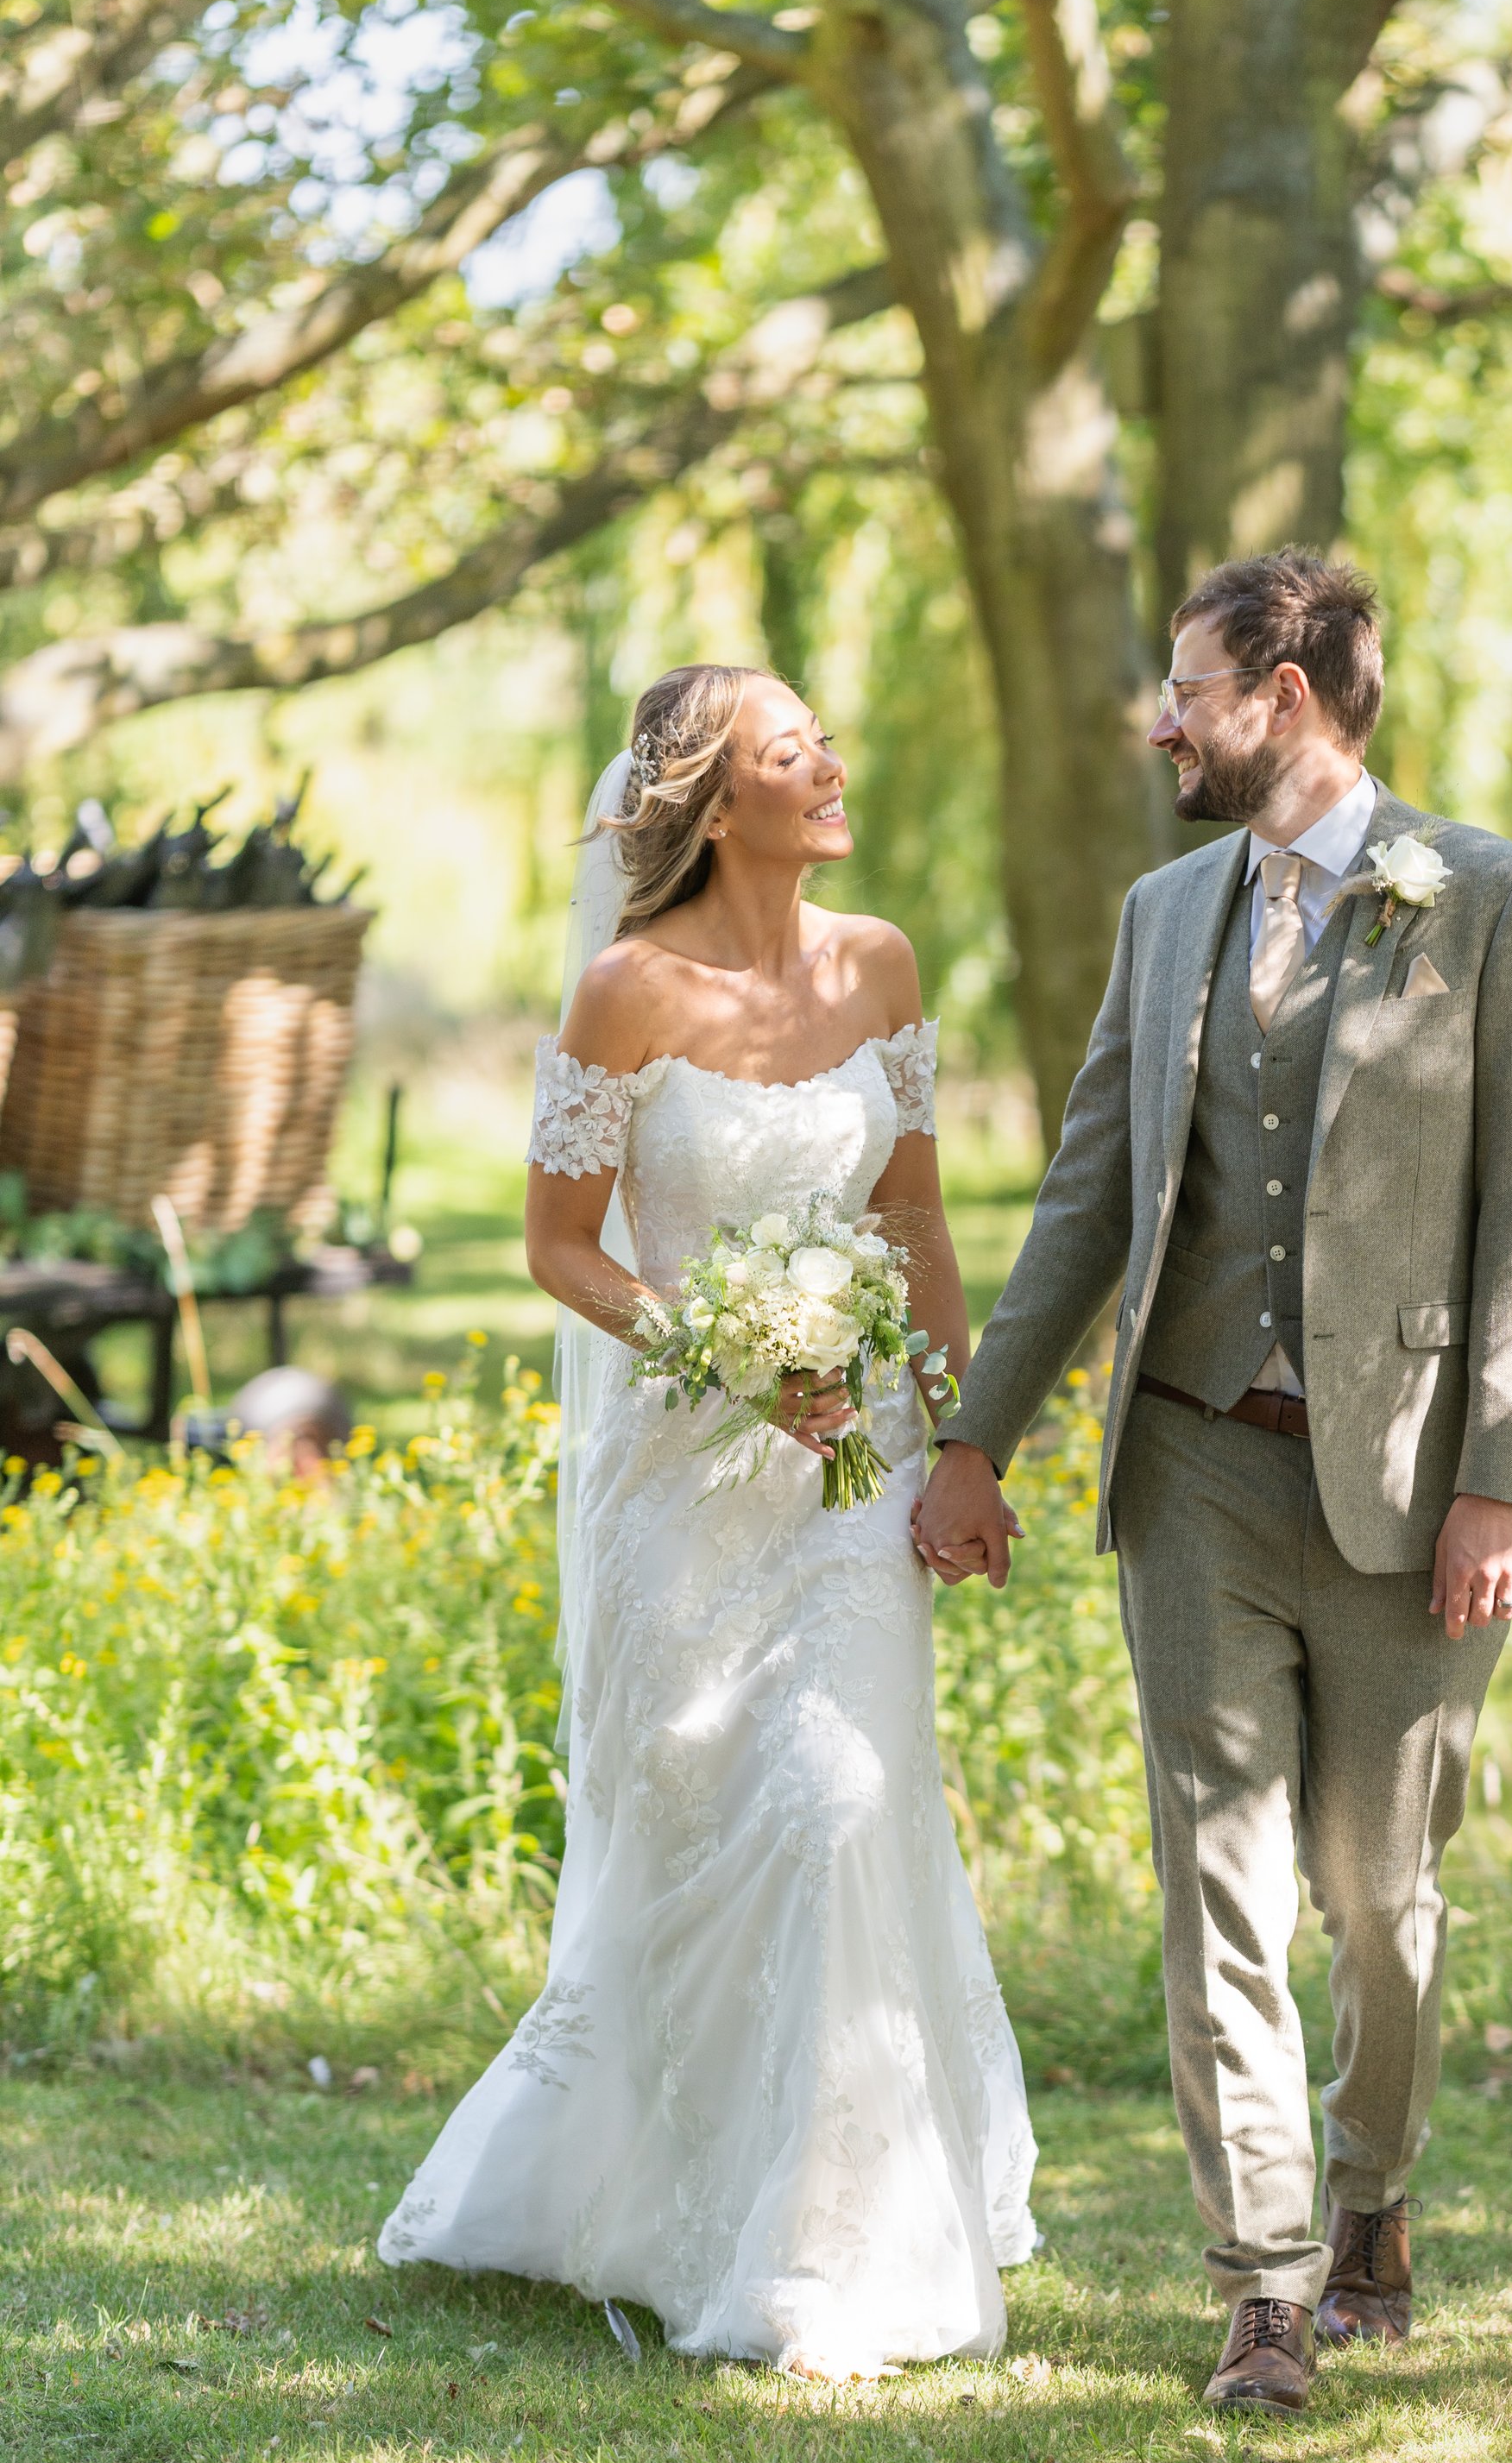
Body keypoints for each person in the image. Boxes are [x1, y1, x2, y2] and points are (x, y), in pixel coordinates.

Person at [917, 551, 1512, 2416]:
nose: (1161, 721)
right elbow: (1083, 1198)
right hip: (1196, 1455)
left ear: (1284, 696)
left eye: (1190, 690)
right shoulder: (1159, 911)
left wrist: (1504, 1478)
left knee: (1382, 1896)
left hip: (1408, 1482)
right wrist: (979, 1428)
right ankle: (1266, 2288)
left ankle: (1371, 2196)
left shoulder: (1492, 905)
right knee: (1216, 1879)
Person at [380, 664, 1036, 2375]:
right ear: (711, 797)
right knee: (688, 1814)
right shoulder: (626, 991)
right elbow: (559, 1246)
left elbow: (917, 1219)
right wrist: (733, 1354)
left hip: (854, 1466)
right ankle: (651, 2205)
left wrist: (966, 1439)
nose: (830, 762)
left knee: (839, 1802)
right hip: (681, 1470)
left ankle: (826, 2251)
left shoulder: (879, 965)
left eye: (821, 734)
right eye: (787, 747)